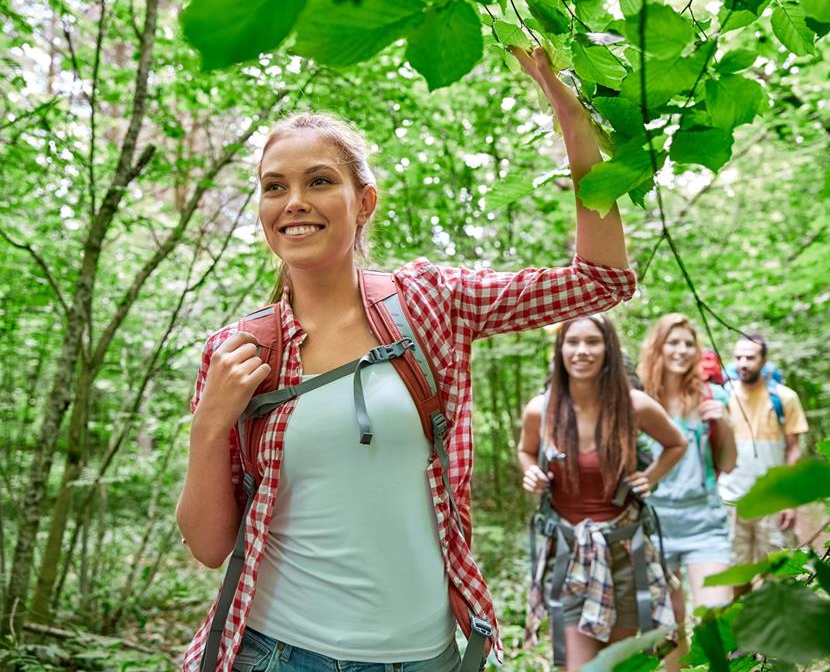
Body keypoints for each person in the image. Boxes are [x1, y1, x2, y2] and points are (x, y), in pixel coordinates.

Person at [176, 46, 640, 672]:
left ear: (363, 202)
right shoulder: (238, 352)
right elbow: (209, 547)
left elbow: (601, 282)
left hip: (426, 655)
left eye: (319, 181)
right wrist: (209, 424)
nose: (294, 202)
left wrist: (573, 123)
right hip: (278, 651)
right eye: (273, 187)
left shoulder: (430, 303)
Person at [519, 314, 687, 671]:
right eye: (573, 342)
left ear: (608, 349)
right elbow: (525, 450)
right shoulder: (541, 409)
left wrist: (651, 476)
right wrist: (530, 472)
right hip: (567, 553)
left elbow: (676, 443)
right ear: (560, 350)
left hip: (625, 553)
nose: (582, 351)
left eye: (592, 342)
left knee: (620, 664)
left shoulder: (633, 404)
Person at [637, 314, 737, 670]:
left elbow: (727, 464)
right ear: (659, 348)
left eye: (688, 344)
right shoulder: (641, 399)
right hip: (655, 526)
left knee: (715, 617)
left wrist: (722, 422)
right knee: (667, 629)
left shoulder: (713, 395)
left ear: (697, 351)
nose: (681, 350)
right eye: (673, 342)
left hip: (704, 522)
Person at [717, 333, 809, 597]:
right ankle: (742, 632)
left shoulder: (785, 398)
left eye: (750, 357)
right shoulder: (723, 398)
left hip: (772, 502)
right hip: (731, 501)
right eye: (738, 357)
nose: (743, 363)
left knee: (779, 575)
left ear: (764, 360)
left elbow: (793, 450)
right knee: (735, 578)